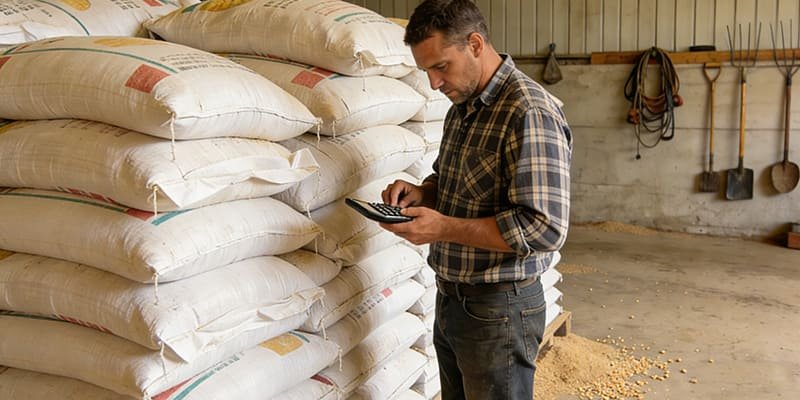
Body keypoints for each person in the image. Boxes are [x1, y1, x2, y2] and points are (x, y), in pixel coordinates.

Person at [378, 1, 572, 399]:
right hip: (453, 299)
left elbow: (545, 228)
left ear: (476, 44)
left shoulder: (527, 111)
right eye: (426, 71)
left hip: (499, 308)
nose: (433, 83)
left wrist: (442, 227)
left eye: (441, 66)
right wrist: (423, 192)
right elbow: (455, 183)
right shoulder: (462, 109)